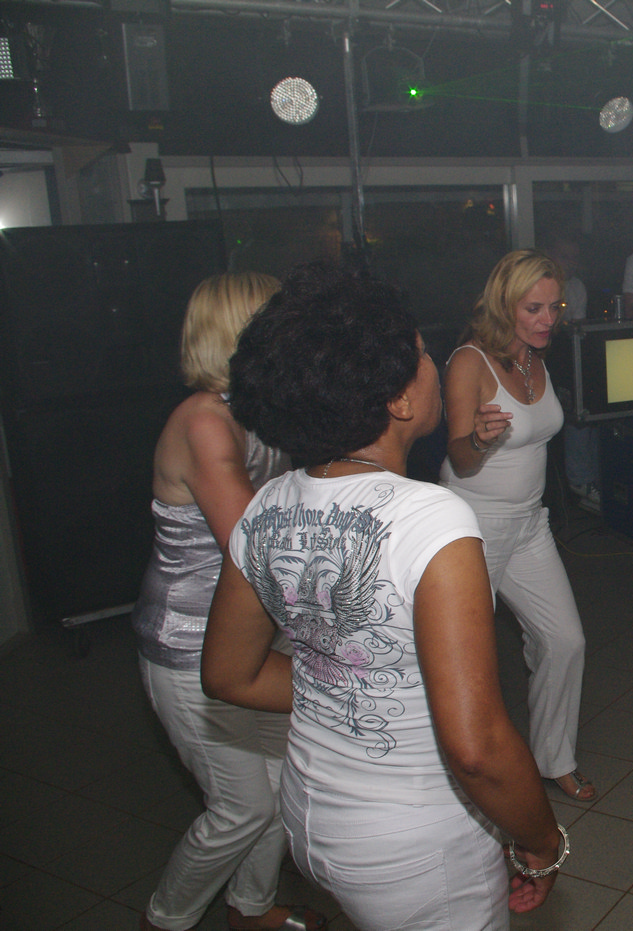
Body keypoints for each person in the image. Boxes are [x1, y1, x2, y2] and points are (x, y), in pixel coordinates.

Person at [204, 262, 566, 930]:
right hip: (414, 840)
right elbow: (477, 748)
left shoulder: (268, 504)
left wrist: (348, 686)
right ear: (400, 400)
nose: (432, 365)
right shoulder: (432, 519)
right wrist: (541, 841)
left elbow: (230, 673)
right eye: (423, 356)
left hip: (311, 816)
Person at [130, 273, 324, 931]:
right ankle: (166, 918)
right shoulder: (205, 422)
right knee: (242, 806)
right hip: (189, 645)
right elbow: (260, 549)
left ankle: (252, 908)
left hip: (250, 636)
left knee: (279, 788)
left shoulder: (256, 411)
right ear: (245, 333)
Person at [439, 250, 595, 801]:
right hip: (470, 529)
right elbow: (460, 459)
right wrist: (479, 440)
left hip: (528, 524)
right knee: (463, 662)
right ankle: (460, 777)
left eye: (555, 307)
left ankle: (555, 758)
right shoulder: (469, 362)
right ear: (505, 304)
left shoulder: (535, 356)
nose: (548, 319)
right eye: (534, 308)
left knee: (564, 641)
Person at [544, 232, 601, 512]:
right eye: (564, 257)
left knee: (587, 405)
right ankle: (577, 480)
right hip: (539, 361)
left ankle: (586, 480)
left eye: (574, 258)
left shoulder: (576, 287)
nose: (570, 264)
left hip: (564, 362)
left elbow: (575, 334)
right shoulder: (537, 286)